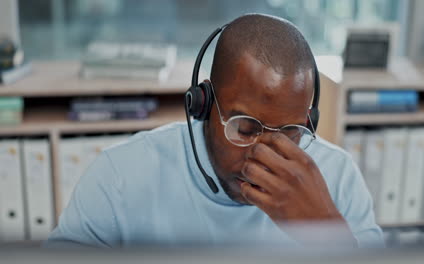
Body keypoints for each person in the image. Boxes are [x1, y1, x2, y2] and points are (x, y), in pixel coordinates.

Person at [46, 14, 383, 248]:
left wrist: (327, 235)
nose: (264, 158)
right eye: (245, 128)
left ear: (309, 122)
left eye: (288, 133)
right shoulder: (120, 177)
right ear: (203, 104)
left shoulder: (337, 177)